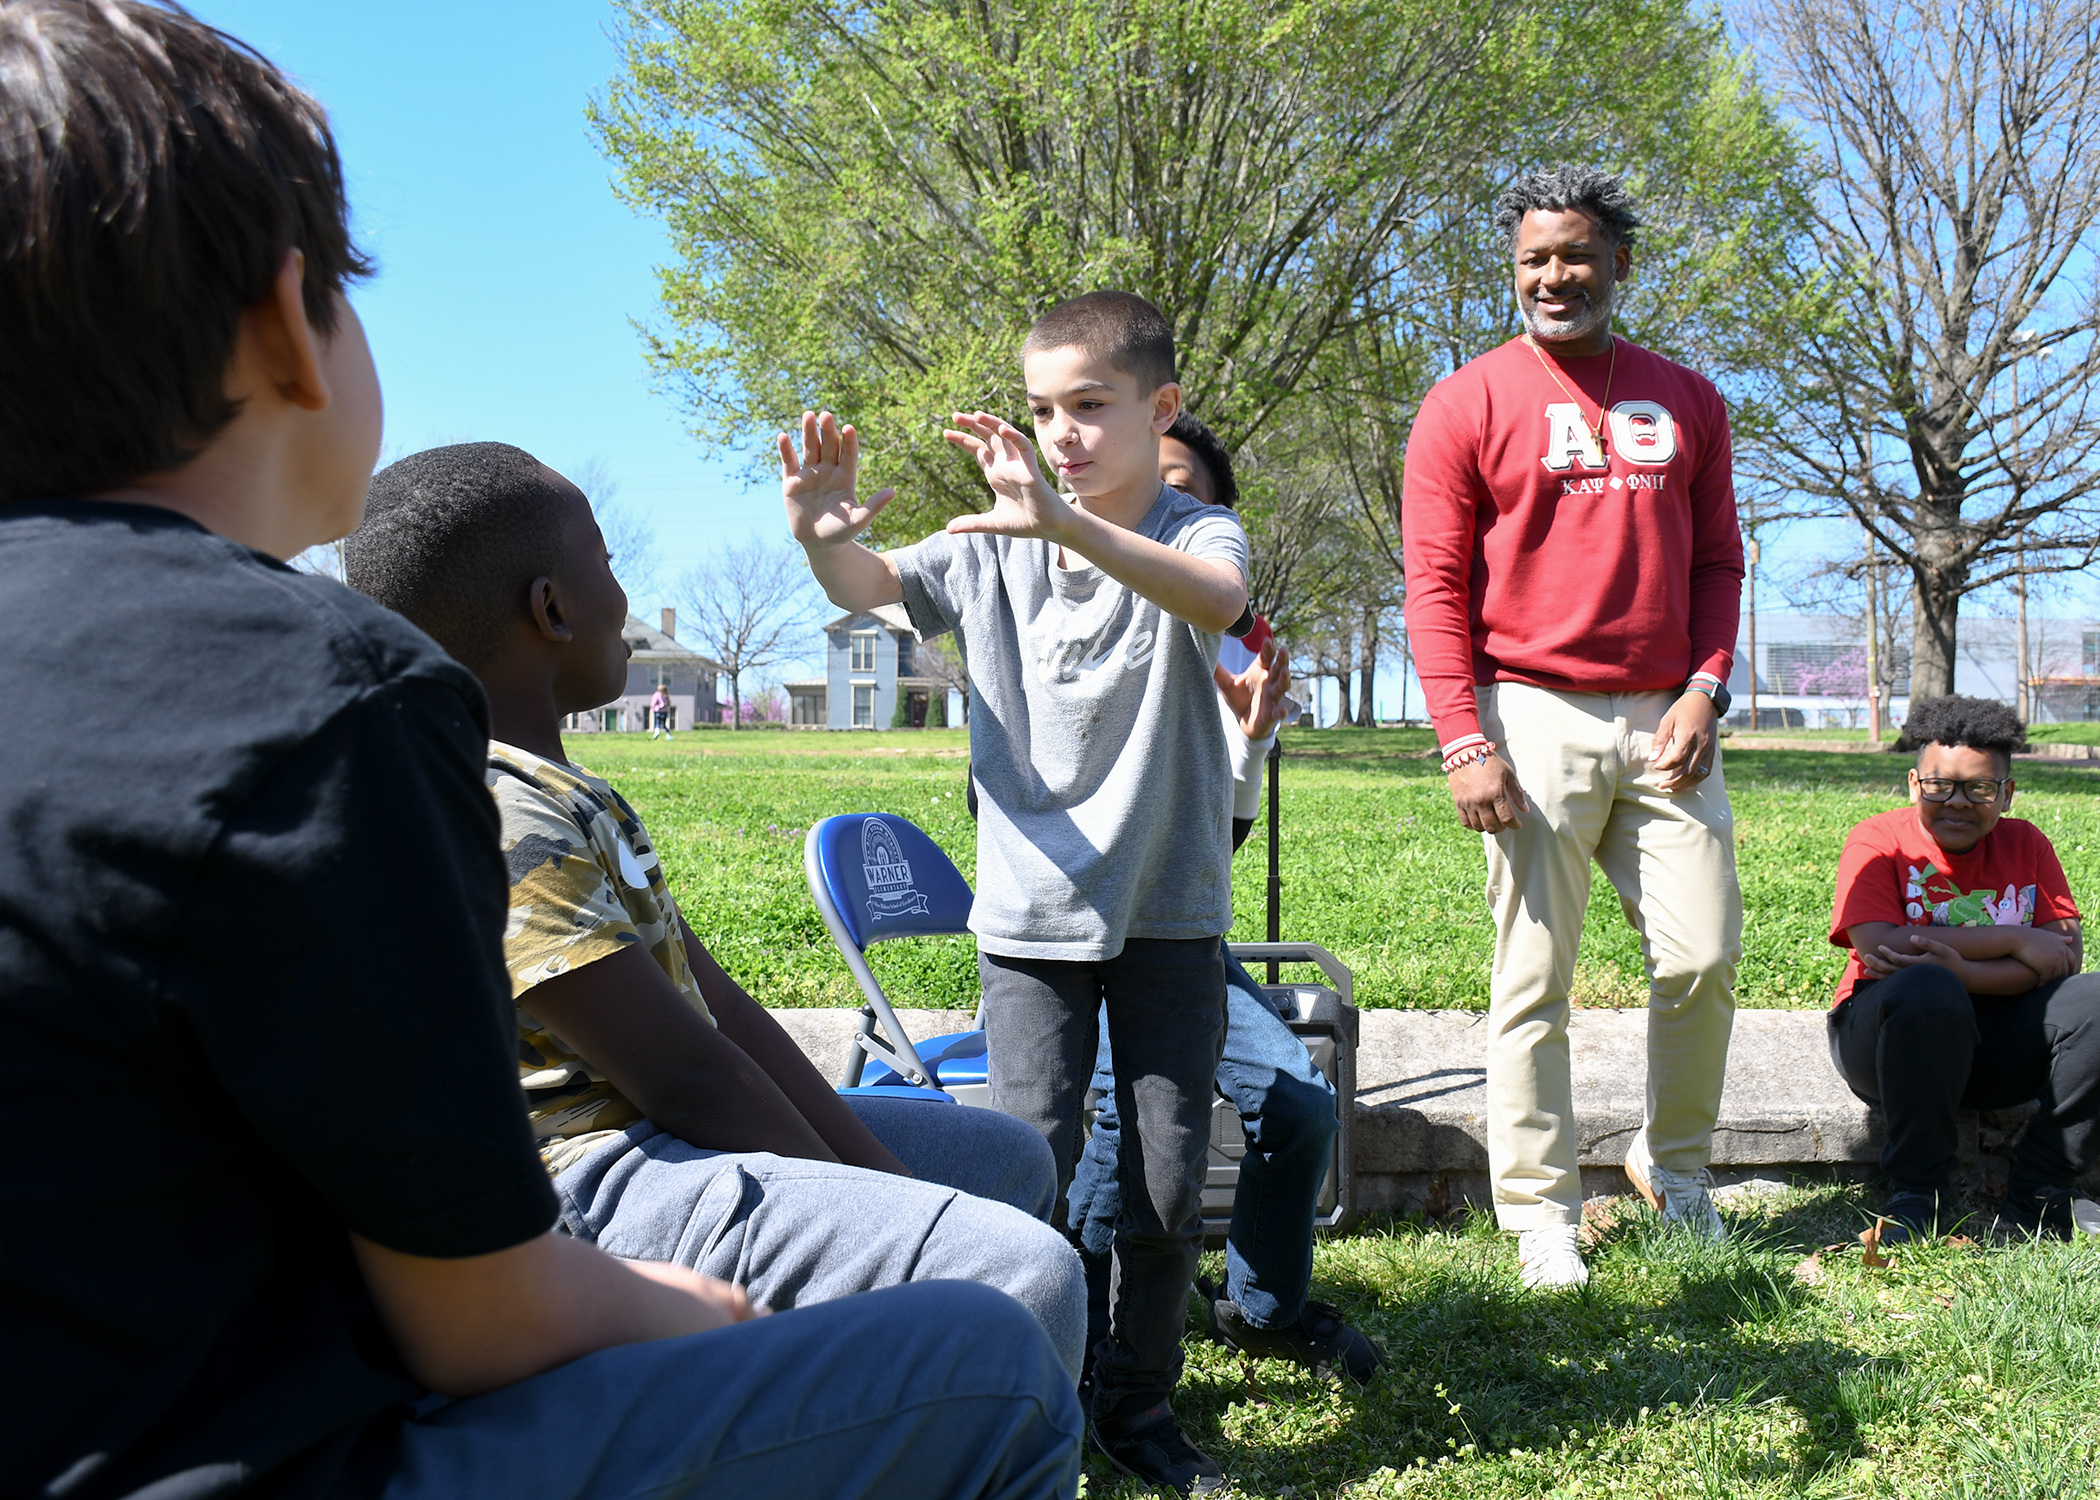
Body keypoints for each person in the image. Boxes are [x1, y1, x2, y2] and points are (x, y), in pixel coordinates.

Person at [0, 6, 1080, 1499]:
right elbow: (478, 1316)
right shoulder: (328, 695)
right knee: (990, 1357)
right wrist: (680, 1306)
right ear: (282, 322)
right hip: (283, 1449)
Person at [345, 442, 1087, 1378]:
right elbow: (687, 1077)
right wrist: (898, 1210)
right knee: (1025, 1270)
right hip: (598, 1186)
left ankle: (965, 1411)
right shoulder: (484, 808)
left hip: (673, 1136)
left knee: (1003, 1161)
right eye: (609, 564)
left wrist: (886, 1188)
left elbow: (725, 1014)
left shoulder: (570, 791)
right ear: (553, 607)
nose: (625, 591)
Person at [782, 291, 1249, 1495]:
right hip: (1030, 920)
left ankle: (1138, 1406)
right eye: (1045, 411)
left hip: (1170, 911)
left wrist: (1062, 526)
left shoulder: (1196, 533)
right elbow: (865, 585)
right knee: (1027, 1167)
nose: (1064, 433)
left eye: (1090, 406)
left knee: (1159, 1177)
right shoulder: (988, 543)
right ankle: (1034, 1392)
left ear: (1164, 408)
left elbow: (1217, 605)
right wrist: (822, 533)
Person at [1401, 165, 1746, 1290]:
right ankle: (1540, 1211)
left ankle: (1674, 1169)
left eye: (1576, 255)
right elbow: (1435, 586)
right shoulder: (1466, 402)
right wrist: (1464, 736)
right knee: (1533, 977)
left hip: (1667, 717)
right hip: (1531, 708)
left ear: (1619, 265)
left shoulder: (1687, 398)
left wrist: (1705, 685)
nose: (1556, 277)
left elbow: (1715, 561)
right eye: (1534, 260)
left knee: (1704, 953)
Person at [1066, 413, 1385, 1384]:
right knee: (1122, 1120)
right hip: (1080, 944)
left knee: (1295, 1108)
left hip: (1184, 939)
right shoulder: (1070, 634)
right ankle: (1072, 1325)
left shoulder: (1234, 657)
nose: (1164, 506)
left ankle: (1262, 1309)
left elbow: (1220, 847)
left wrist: (1247, 740)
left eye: (1186, 494)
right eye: (1146, 483)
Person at [1827, 694, 2100, 1242]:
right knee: (1925, 987)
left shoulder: (2026, 843)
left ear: (2006, 793)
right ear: (1913, 783)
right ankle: (1916, 1192)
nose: (1956, 802)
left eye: (1979, 788)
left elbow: (2063, 955)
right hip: (1890, 1042)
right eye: (1939, 785)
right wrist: (2012, 938)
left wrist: (1962, 967)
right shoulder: (1879, 841)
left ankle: (2043, 1189)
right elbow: (1882, 946)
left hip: (1999, 1043)